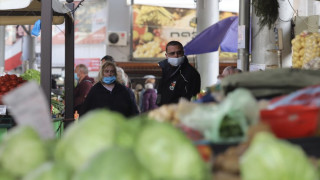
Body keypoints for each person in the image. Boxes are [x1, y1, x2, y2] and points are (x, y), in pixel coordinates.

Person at [157, 40, 201, 106]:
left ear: (183, 53)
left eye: (179, 52)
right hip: (163, 111)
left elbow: (192, 98)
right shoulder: (162, 70)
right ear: (166, 55)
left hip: (180, 112)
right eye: (172, 53)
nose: (176, 55)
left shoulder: (191, 73)